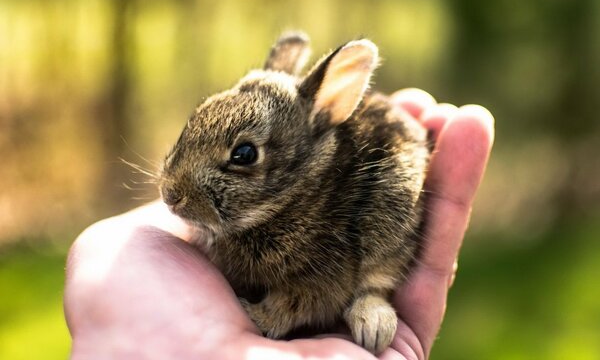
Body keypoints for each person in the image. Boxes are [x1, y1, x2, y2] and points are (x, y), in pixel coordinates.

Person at [64, 89, 494, 360]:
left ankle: (373, 292)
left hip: (368, 234)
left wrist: (274, 311)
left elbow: (322, 284)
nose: (173, 193)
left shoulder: (302, 222)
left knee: (394, 188)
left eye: (243, 158)